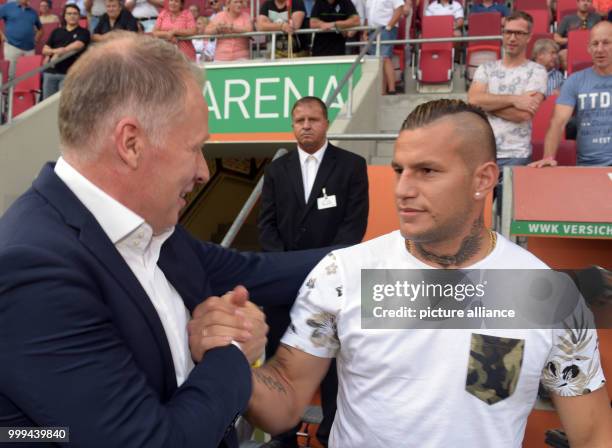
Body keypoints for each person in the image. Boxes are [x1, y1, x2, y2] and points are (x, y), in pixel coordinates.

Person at [0, 32, 324, 448]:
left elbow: (257, 271)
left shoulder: (154, 232)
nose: (204, 171)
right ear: (131, 143)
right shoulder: (33, 269)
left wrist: (386, 255)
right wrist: (229, 348)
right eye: (195, 149)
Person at [245, 99, 612, 447]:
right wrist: (229, 358)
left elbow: (594, 433)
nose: (403, 189)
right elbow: (287, 396)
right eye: (399, 170)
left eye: (427, 171)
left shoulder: (546, 293)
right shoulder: (342, 275)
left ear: (483, 180)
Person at [258, 96, 369, 447]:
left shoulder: (351, 165)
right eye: (299, 120)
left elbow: (353, 228)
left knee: (333, 371)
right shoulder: (276, 169)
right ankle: (283, 435)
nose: (306, 125)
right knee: (281, 363)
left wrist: (319, 273)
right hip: (284, 289)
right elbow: (266, 227)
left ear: (326, 123)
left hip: (333, 288)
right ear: (292, 125)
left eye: (313, 119)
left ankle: (330, 434)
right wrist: (289, 270)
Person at [468, 11, 547, 170]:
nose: (512, 38)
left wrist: (486, 105)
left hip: (516, 155)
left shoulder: (537, 71)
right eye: (508, 32)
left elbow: (522, 114)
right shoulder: (486, 68)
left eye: (519, 33)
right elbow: (473, 101)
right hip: (483, 153)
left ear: (529, 37)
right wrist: (514, 100)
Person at [530, 21, 612, 167]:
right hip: (589, 166)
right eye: (595, 44)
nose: (600, 49)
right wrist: (548, 156)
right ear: (588, 48)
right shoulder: (574, 81)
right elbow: (558, 122)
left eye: (606, 43)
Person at [42, 3, 90, 99]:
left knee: (63, 104)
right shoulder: (57, 31)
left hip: (68, 74)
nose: (72, 16)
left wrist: (62, 51)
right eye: (69, 13)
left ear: (79, 16)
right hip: (50, 72)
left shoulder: (84, 32)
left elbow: (78, 45)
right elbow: (44, 50)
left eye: (75, 13)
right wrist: (56, 51)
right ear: (64, 16)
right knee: (46, 104)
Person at [364, 0, 404, 95]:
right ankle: (382, 91)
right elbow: (368, 16)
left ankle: (391, 89)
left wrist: (389, 26)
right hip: (372, 30)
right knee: (378, 61)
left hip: (385, 29)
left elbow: (399, 9)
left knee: (385, 57)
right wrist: (365, 31)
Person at [0, 0, 42, 80]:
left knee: (29, 76)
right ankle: (11, 92)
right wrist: (1, 35)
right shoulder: (7, 7)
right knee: (11, 75)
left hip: (30, 49)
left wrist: (36, 39)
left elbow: (40, 29)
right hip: (12, 46)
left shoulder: (33, 12)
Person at [554, 0, 601, 70]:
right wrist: (572, 40)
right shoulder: (567, 19)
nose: (585, 3)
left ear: (591, 4)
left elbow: (601, 34)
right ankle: (571, 76)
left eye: (588, 1)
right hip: (571, 48)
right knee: (562, 54)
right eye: (583, 1)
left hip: (592, 47)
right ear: (577, 3)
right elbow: (556, 38)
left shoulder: (596, 18)